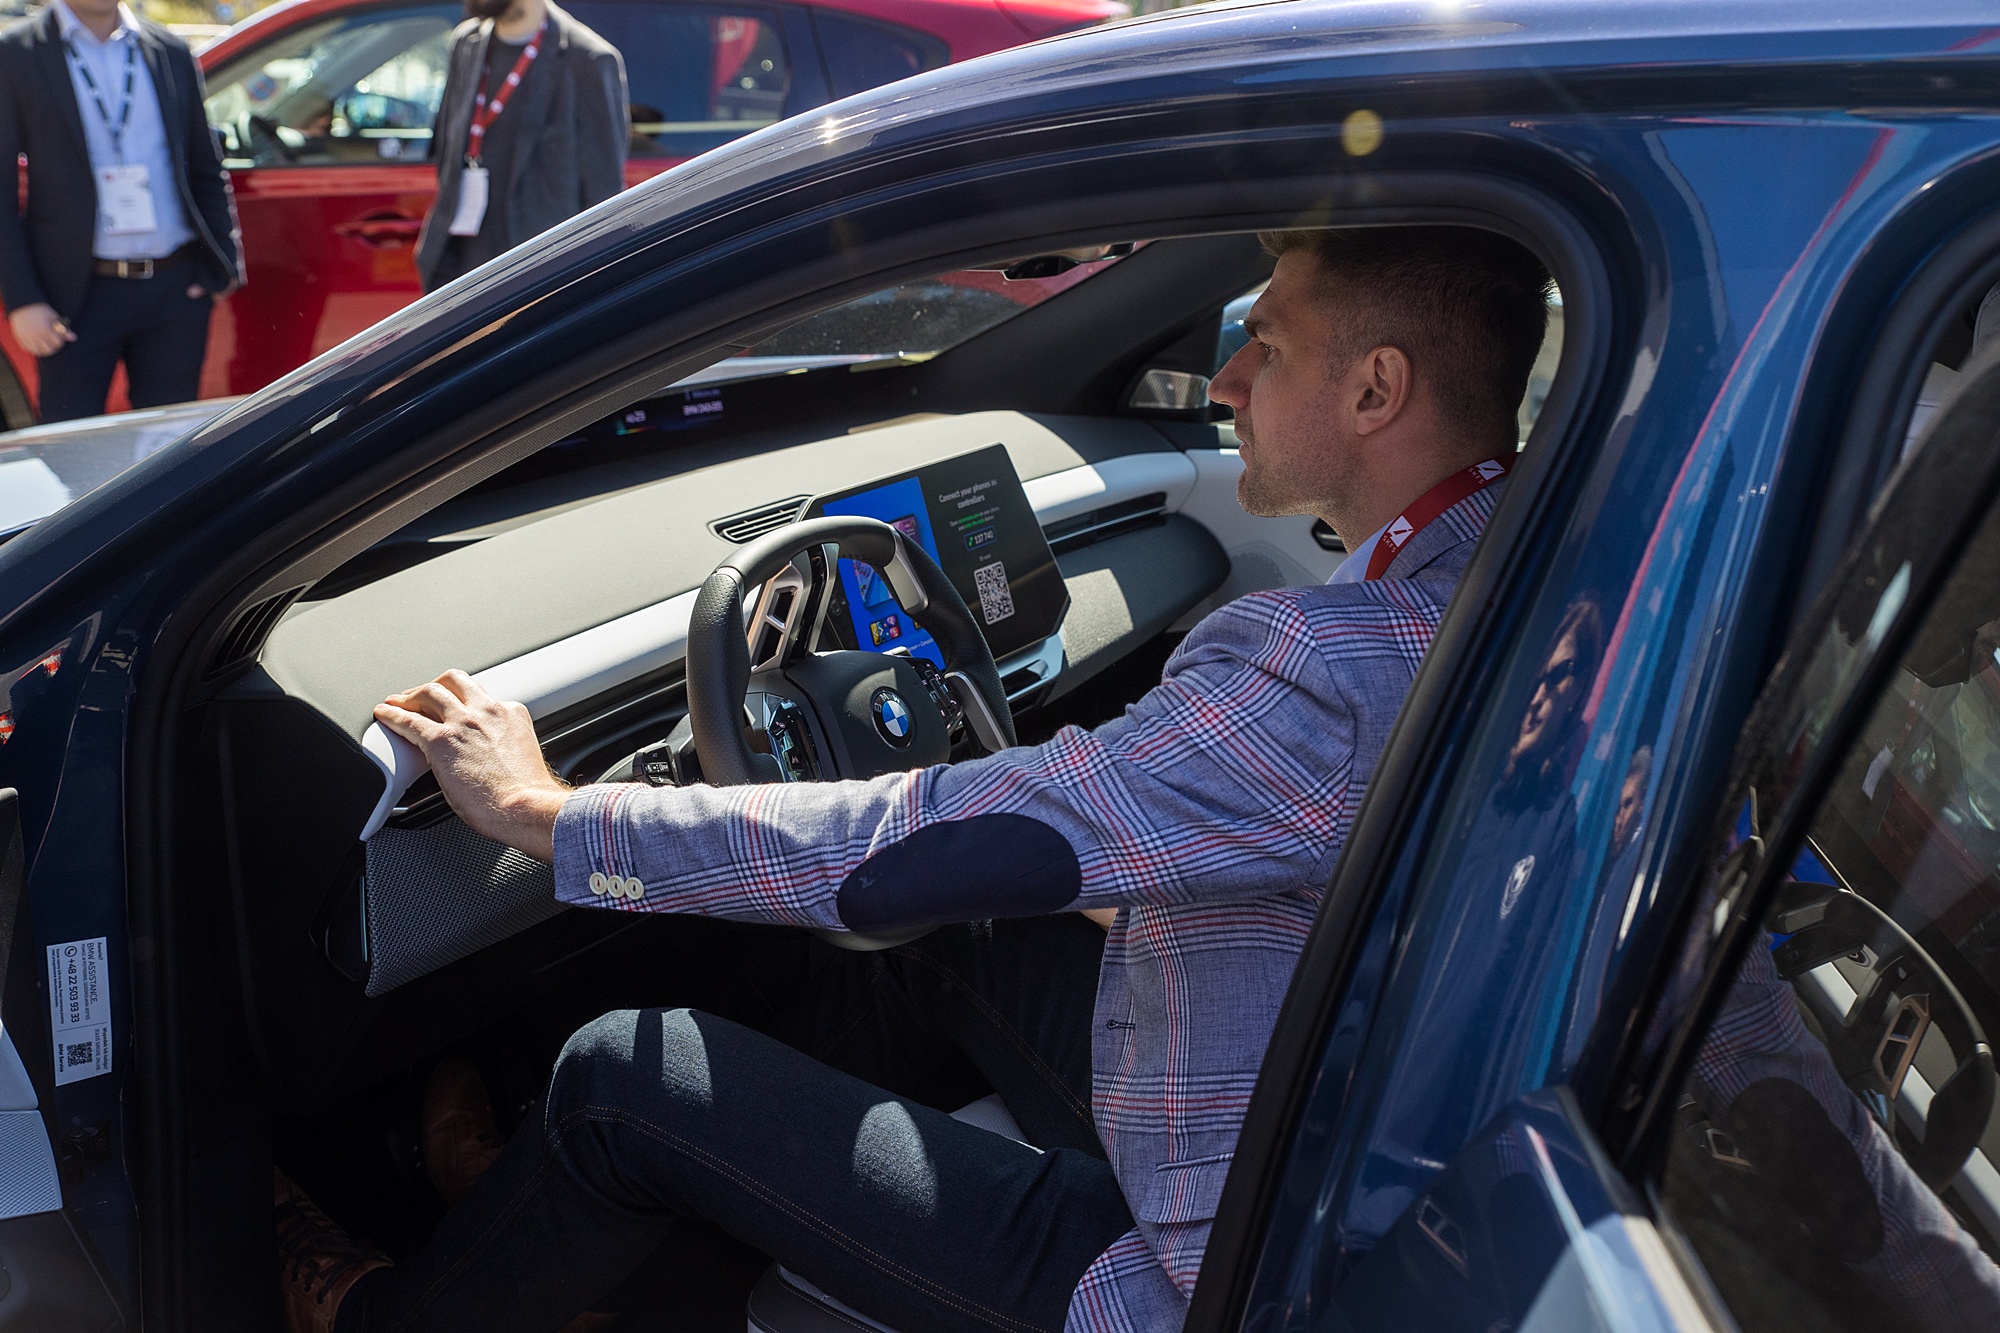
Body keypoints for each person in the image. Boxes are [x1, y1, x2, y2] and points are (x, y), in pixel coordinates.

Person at [274, 226, 1554, 1333]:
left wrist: (550, 817)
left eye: (1262, 345)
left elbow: (919, 841)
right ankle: (622, 1223)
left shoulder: (1322, 668)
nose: (1222, 381)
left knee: (621, 1076)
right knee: (967, 930)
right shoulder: (1531, 574)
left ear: (1376, 388)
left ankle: (404, 1304)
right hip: (1354, 1144)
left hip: (1220, 1279)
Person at [0, 0, 242, 422]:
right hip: (73, 297)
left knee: (171, 443)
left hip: (175, 287)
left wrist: (221, 266)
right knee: (73, 445)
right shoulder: (17, 53)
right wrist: (23, 301)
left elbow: (205, 165)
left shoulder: (169, 49)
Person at [414, 0, 627, 293]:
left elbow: (605, 197)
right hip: (462, 277)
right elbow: (445, 155)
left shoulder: (588, 59)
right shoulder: (466, 43)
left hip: (540, 285)